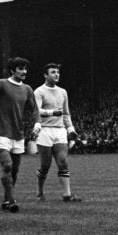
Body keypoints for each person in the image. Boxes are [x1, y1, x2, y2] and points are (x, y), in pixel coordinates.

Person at [0, 57, 41, 212]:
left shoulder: (27, 89)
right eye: (20, 68)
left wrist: (37, 123)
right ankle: (12, 201)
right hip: (0, 132)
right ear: (12, 70)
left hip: (18, 134)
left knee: (14, 170)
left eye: (25, 68)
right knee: (7, 165)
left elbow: (34, 110)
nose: (24, 72)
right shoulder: (1, 84)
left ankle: (6, 200)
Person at [34, 63, 82, 203]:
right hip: (44, 130)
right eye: (53, 72)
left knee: (63, 162)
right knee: (45, 165)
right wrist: (53, 113)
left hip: (60, 130)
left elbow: (66, 114)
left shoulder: (63, 92)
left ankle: (67, 195)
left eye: (58, 72)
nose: (56, 74)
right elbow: (36, 111)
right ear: (45, 75)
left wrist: (71, 130)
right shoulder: (39, 92)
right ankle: (39, 193)